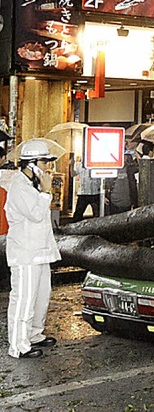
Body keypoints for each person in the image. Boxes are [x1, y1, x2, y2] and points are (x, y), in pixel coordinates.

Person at [4, 140, 61, 359]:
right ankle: (18, 345)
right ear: (32, 164)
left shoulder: (31, 185)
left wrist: (43, 190)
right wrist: (46, 192)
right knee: (24, 299)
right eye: (44, 161)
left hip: (40, 251)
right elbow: (36, 215)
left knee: (41, 296)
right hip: (26, 253)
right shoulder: (20, 187)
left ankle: (34, 334)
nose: (48, 166)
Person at [72, 157, 101, 222]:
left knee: (97, 215)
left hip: (95, 192)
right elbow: (73, 174)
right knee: (78, 214)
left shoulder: (96, 164)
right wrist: (71, 165)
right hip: (83, 193)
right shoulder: (80, 165)